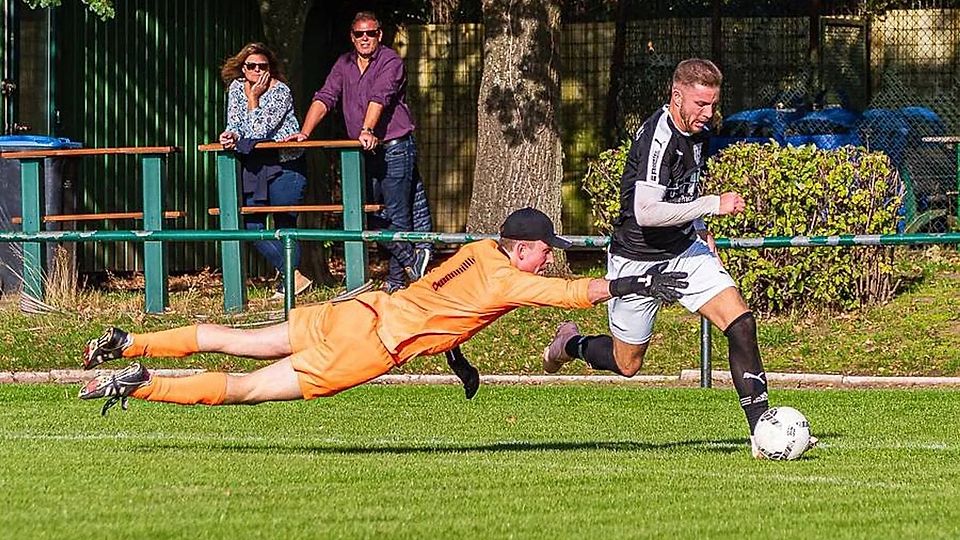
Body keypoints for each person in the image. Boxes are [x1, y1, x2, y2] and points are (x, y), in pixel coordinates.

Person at [78, 208, 688, 415]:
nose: (547, 259)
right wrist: (640, 279)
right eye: (544, 250)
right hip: (368, 346)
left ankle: (129, 343)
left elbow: (444, 306)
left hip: (358, 308)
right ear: (523, 246)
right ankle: (141, 384)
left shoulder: (478, 251)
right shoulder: (509, 279)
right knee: (249, 388)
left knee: (238, 338)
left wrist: (456, 357)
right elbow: (576, 294)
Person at [540, 59, 813, 458]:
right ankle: (569, 343)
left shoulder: (698, 132)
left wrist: (700, 227)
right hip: (637, 259)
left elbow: (683, 190)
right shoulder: (659, 137)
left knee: (741, 323)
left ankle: (761, 432)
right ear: (677, 96)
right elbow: (646, 211)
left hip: (684, 250)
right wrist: (713, 205)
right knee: (627, 364)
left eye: (713, 104)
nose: (709, 113)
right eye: (701, 104)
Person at [283, 11, 432, 293]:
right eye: (359, 34)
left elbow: (380, 97)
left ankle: (397, 281)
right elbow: (325, 96)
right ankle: (413, 260)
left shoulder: (390, 61)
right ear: (352, 37)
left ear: (379, 35)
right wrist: (305, 133)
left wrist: (367, 129)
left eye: (370, 33)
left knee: (398, 214)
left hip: (394, 147)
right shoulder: (344, 63)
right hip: (364, 151)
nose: (365, 38)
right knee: (362, 212)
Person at [218, 42, 312, 300]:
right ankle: (293, 276)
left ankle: (287, 285)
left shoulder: (281, 91)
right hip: (255, 163)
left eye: (263, 66)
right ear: (243, 68)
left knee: (285, 222)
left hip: (285, 164)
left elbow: (258, 130)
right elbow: (237, 124)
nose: (258, 71)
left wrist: (254, 98)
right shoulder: (236, 88)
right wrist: (230, 135)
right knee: (250, 224)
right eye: (252, 66)